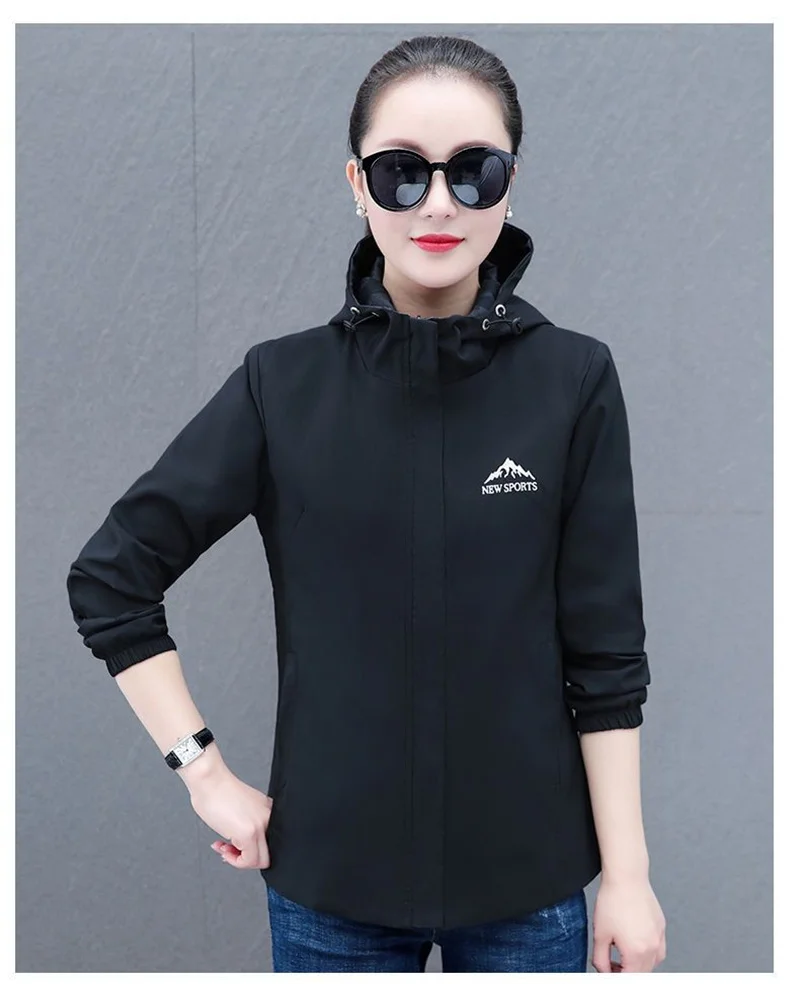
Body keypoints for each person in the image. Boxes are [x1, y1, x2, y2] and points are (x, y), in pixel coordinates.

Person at [66, 33, 667, 974]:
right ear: (357, 183)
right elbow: (112, 579)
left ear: (511, 183)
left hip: (529, 887)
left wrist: (627, 877)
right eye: (401, 172)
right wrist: (202, 771)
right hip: (330, 892)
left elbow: (606, 656)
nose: (438, 203)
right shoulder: (281, 386)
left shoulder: (574, 380)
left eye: (473, 170)